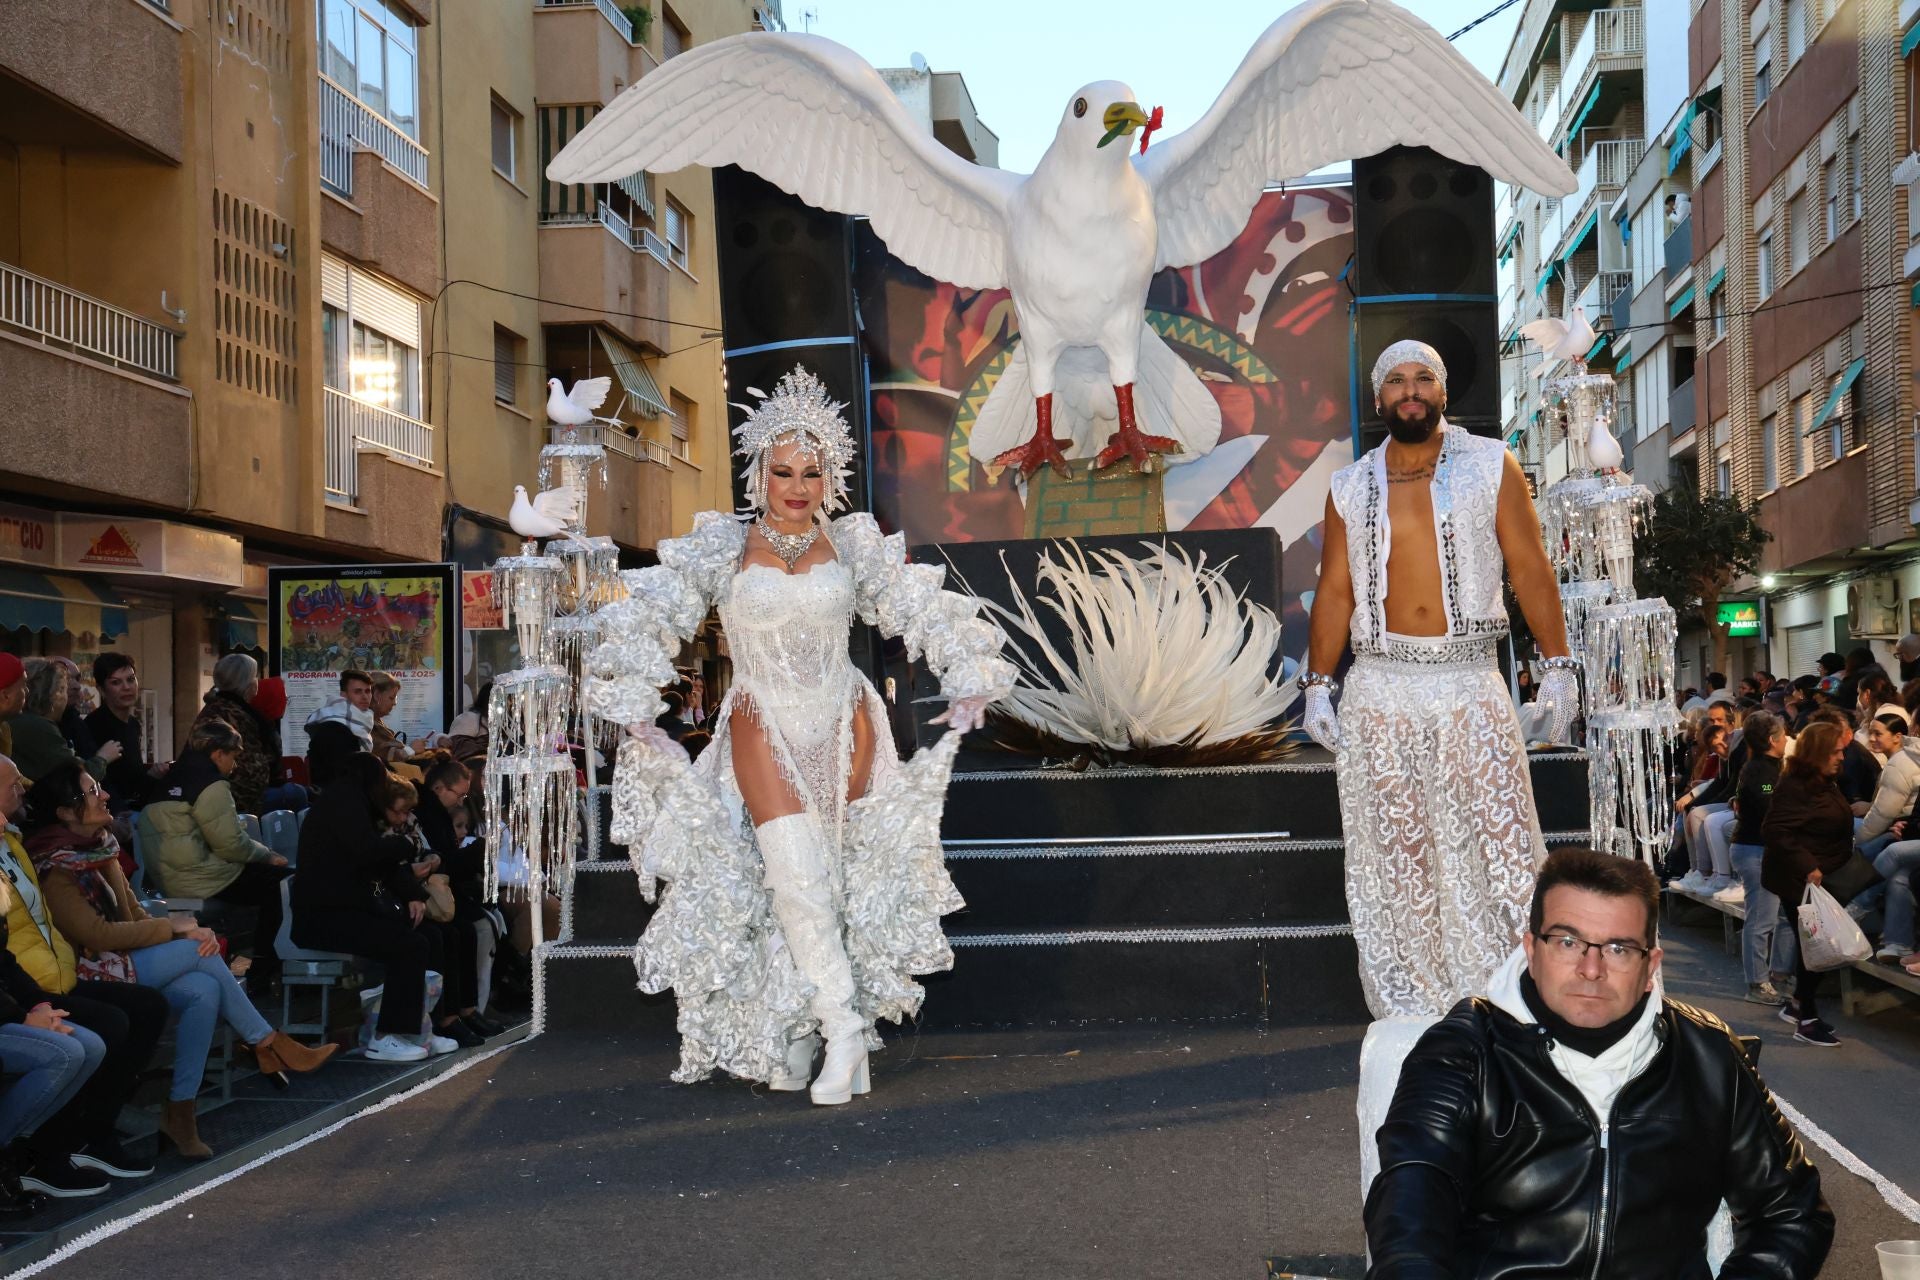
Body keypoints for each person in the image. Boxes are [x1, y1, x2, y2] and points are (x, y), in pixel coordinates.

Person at [589, 365, 1012, 1103]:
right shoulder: (721, 545)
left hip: (843, 721)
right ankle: (844, 1031)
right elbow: (649, 615)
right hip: (761, 718)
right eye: (782, 470)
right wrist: (632, 700)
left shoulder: (853, 545)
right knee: (791, 875)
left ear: (830, 477)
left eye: (811, 472)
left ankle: (796, 1032)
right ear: (759, 473)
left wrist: (970, 672)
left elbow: (923, 609)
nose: (796, 485)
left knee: (826, 883)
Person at [1365, 847, 1834, 1276]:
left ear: (1651, 966)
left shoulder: (1709, 1054)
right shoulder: (1465, 1051)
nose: (1591, 969)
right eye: (1568, 942)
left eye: (1618, 948)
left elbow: (1792, 1213)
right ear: (1531, 950)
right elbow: (1411, 1206)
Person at [1300, 340, 1575, 1018]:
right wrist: (1316, 684)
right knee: (1399, 857)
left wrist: (1559, 668)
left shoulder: (1491, 464)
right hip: (1380, 690)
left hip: (1471, 684)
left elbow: (1531, 569)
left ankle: (1518, 998)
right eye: (1396, 380)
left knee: (1505, 851)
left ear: (1444, 393)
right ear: (1378, 398)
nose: (1411, 389)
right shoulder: (1349, 485)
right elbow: (1334, 591)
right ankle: (1419, 1009)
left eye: (1424, 377)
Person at [23, 762, 335, 1158]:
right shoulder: (55, 865)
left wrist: (177, 928)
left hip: (124, 957)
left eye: (99, 786)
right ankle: (266, 1042)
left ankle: (181, 1112)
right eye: (90, 791)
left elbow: (134, 914)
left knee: (203, 988)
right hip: (91, 969)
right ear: (65, 812)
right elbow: (94, 935)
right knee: (195, 949)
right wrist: (177, 929)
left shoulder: (100, 846)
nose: (103, 795)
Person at [0, 753, 166, 1197]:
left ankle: (86, 1136)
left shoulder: (13, 843)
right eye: (12, 784)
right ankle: (43, 1150)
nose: (21, 790)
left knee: (164, 998)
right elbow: (93, 931)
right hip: (26, 989)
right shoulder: (54, 856)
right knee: (93, 1036)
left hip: (43, 981)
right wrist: (23, 1011)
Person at [291, 754, 451, 1063]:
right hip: (324, 916)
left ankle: (420, 1029)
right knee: (409, 945)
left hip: (344, 909)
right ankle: (386, 1035)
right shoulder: (346, 807)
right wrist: (406, 846)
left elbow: (382, 863)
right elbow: (369, 854)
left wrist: (411, 893)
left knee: (429, 935)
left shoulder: (352, 803)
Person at [138, 719, 292, 992]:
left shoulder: (170, 778)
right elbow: (230, 844)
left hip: (174, 880)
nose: (234, 765)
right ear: (218, 753)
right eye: (233, 756)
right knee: (284, 886)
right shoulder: (211, 784)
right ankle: (264, 970)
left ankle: (262, 966)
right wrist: (267, 855)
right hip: (202, 881)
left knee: (270, 883)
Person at [1762, 720, 1883, 1047]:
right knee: (1818, 948)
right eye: (1835, 751)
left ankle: (1801, 1005)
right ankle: (1806, 1018)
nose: (1841, 757)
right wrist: (1809, 866)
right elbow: (1775, 831)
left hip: (1819, 878)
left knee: (1816, 948)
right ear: (1817, 753)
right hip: (1800, 882)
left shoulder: (1822, 780)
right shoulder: (1796, 785)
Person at [372, 776, 485, 1047]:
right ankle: (441, 1018)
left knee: (463, 930)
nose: (403, 817)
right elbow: (385, 867)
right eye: (398, 811)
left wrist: (431, 859)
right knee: (434, 937)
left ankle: (464, 1009)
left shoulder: (411, 823)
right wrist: (410, 871)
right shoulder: (375, 830)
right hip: (392, 899)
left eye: (407, 811)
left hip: (416, 890)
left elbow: (424, 849)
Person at [1726, 711, 1797, 1005]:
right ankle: (1757, 982)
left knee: (1780, 916)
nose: (1786, 740)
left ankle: (1778, 974)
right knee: (1762, 919)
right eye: (1782, 736)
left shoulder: (1763, 768)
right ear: (1772, 740)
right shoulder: (1763, 772)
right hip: (1757, 851)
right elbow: (1767, 807)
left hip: (1762, 850)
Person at [190, 654, 277, 816]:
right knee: (296, 793)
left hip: (225, 796)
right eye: (255, 676)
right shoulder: (237, 717)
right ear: (248, 684)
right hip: (235, 801)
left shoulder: (216, 708)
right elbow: (251, 773)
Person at [5, 659, 118, 784]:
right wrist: (102, 758)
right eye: (64, 689)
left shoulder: (15, 720)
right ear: (55, 694)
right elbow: (77, 776)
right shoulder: (37, 726)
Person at [83, 654, 164, 814]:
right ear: (101, 689)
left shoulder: (133, 724)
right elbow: (101, 781)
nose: (126, 687)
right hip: (111, 814)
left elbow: (133, 777)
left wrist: (153, 774)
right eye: (116, 682)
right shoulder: (94, 726)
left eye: (131, 679)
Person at [368, 672, 413, 764]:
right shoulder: (366, 725)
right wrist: (411, 749)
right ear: (376, 695)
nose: (395, 703)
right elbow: (382, 755)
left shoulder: (376, 721)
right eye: (391, 698)